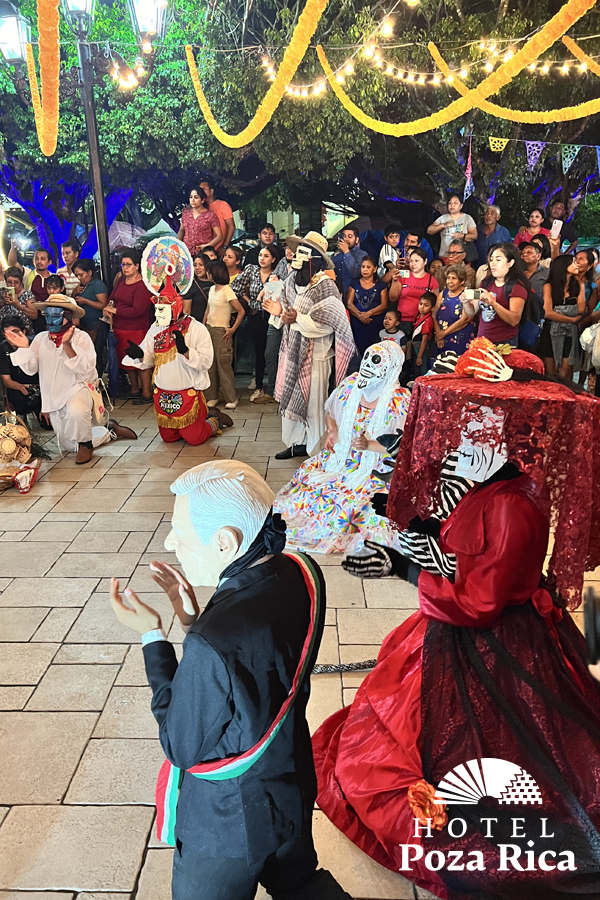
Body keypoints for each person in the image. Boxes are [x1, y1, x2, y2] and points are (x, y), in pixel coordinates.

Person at [314, 353, 600, 899]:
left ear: (513, 438)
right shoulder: (484, 482)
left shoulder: (515, 504)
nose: (465, 436)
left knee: (490, 762)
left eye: (481, 427)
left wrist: (401, 566)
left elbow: (479, 602)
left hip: (494, 647)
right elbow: (455, 551)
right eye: (467, 422)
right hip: (462, 628)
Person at [109, 459, 354, 900]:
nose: (169, 541)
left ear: (226, 543)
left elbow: (181, 744)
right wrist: (194, 619)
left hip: (226, 825)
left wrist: (153, 636)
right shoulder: (300, 570)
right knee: (300, 883)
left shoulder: (211, 642)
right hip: (289, 779)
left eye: (179, 533)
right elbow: (260, 664)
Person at [274, 342, 410, 553]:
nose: (367, 365)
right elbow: (331, 412)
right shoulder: (351, 385)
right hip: (342, 457)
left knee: (357, 505)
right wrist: (333, 431)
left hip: (376, 467)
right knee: (310, 483)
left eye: (375, 361)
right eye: (366, 358)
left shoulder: (398, 400)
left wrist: (369, 445)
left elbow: (398, 445)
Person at [5, 293, 136, 463]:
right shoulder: (40, 339)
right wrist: (23, 348)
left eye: (56, 316)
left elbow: (87, 369)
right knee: (69, 445)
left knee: (77, 412)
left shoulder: (81, 337)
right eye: (48, 315)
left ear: (68, 317)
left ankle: (86, 445)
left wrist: (67, 345)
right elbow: (31, 370)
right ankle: (110, 431)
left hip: (78, 388)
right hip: (54, 395)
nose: (50, 320)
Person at [265, 231, 356, 460]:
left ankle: (316, 451)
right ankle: (296, 443)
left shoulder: (326, 287)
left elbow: (328, 325)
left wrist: (295, 318)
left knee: (314, 405)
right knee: (293, 401)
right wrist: (283, 315)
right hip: (292, 352)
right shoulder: (288, 282)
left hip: (316, 355)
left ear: (313, 259)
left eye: (301, 253)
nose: (294, 256)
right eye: (296, 252)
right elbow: (282, 313)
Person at [122, 275, 232, 444]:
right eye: (156, 309)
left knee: (195, 439)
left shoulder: (197, 329)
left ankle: (214, 420)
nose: (157, 314)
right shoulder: (155, 328)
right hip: (163, 394)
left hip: (187, 393)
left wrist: (186, 351)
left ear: (175, 307)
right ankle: (191, 425)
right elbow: (149, 357)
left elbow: (206, 362)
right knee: (169, 438)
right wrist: (140, 354)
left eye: (161, 309)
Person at [103, 249, 155, 404]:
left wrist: (115, 310)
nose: (125, 268)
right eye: (123, 264)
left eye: (128, 265)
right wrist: (108, 307)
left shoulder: (143, 284)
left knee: (141, 361)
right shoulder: (121, 280)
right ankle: (134, 389)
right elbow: (113, 297)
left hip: (137, 328)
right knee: (126, 360)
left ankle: (146, 392)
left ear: (137, 266)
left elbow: (138, 310)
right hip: (120, 327)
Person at [232, 245, 279, 402]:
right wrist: (249, 301)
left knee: (272, 352)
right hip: (255, 315)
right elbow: (236, 287)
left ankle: (274, 387)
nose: (262, 259)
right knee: (259, 352)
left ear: (273, 259)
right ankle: (259, 386)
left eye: (266, 256)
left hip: (273, 316)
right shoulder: (251, 270)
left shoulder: (278, 273)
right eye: (260, 255)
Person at [204, 260, 245, 410]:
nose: (207, 273)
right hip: (209, 329)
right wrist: (203, 326)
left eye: (208, 271)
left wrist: (232, 329)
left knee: (224, 365)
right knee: (210, 365)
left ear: (214, 272)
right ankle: (212, 396)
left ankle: (231, 397)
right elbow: (208, 310)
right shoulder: (211, 290)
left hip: (222, 331)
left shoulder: (227, 290)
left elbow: (241, 310)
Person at [538, 254, 586, 378]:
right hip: (550, 330)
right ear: (564, 266)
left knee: (566, 372)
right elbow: (547, 312)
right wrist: (571, 319)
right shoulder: (548, 286)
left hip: (569, 333)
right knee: (551, 373)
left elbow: (581, 309)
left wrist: (581, 284)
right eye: (574, 262)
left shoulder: (577, 285)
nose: (577, 264)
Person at [476, 243, 530, 348]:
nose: (493, 263)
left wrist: (493, 303)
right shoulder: (486, 282)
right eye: (491, 259)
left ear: (510, 263)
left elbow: (514, 320)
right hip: (482, 340)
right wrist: (466, 302)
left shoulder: (517, 287)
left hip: (504, 343)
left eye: (498, 259)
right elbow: (473, 311)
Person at [0, 312, 42, 423]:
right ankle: (21, 415)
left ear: (23, 332)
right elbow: (6, 380)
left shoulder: (34, 343)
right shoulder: (3, 348)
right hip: (17, 387)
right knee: (18, 397)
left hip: (39, 387)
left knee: (47, 425)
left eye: (15, 332)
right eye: (7, 333)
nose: (12, 337)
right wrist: (20, 387)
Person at [71, 258, 109, 375]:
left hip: (96, 325)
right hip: (83, 324)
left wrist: (86, 301)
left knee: (95, 354)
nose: (79, 278)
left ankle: (97, 379)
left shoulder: (97, 285)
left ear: (90, 272)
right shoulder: (82, 285)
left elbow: (103, 305)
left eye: (81, 274)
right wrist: (75, 292)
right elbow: (73, 300)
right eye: (77, 275)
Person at [390, 247, 439, 336]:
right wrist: (394, 281)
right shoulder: (403, 276)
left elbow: (435, 306)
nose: (413, 264)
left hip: (422, 322)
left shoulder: (432, 280)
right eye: (411, 261)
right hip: (402, 320)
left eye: (417, 261)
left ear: (425, 261)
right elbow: (393, 298)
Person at [347, 256, 388, 357]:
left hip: (375, 323)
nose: (365, 269)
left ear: (375, 269)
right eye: (363, 267)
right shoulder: (354, 283)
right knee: (357, 351)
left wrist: (369, 313)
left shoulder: (381, 285)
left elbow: (384, 305)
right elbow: (349, 303)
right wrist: (359, 316)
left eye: (368, 267)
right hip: (357, 324)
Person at [7, 246, 53, 334]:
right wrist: (13, 247)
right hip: (32, 318)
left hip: (50, 317)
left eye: (42, 259)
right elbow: (12, 263)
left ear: (49, 262)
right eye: (36, 258)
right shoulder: (28, 273)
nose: (39, 261)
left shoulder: (54, 277)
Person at [433, 265, 475, 358]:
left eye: (453, 278)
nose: (449, 281)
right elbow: (434, 314)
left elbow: (465, 319)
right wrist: (439, 335)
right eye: (448, 278)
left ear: (462, 281)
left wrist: (443, 334)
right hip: (441, 339)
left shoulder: (467, 294)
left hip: (460, 338)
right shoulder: (443, 293)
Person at [426, 194, 477, 262]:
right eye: (450, 203)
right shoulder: (443, 218)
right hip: (445, 255)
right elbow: (429, 230)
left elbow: (474, 235)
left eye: (455, 203)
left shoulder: (467, 218)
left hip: (461, 257)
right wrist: (443, 225)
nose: (452, 205)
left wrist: (461, 236)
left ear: (461, 206)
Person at [178, 186, 222, 256]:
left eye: (196, 197)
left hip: (203, 253)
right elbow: (181, 230)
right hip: (186, 252)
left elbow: (219, 236)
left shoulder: (210, 215)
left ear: (203, 200)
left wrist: (207, 246)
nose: (192, 200)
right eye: (191, 197)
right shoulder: (186, 213)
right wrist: (179, 244)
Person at [332, 225, 368, 299]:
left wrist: (346, 252)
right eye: (344, 236)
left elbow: (356, 273)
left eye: (350, 236)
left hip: (354, 296)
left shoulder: (362, 254)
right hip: (336, 294)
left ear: (357, 240)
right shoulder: (336, 254)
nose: (346, 239)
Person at [405, 292, 435, 378]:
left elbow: (424, 340)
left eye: (426, 305)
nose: (422, 307)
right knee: (415, 370)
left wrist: (419, 356)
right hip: (415, 348)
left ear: (432, 308)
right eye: (421, 304)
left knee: (421, 371)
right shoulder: (419, 317)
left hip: (421, 350)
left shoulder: (427, 321)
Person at [199, 179, 235, 252]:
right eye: (200, 189)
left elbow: (231, 226)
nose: (201, 192)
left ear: (211, 191)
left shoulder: (223, 205)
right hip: (202, 250)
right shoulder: (198, 208)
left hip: (218, 250)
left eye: (204, 189)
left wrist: (224, 246)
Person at [518, 241, 548, 313]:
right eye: (522, 253)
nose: (524, 254)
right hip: (519, 311)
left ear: (538, 256)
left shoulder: (547, 273)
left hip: (538, 312)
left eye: (529, 252)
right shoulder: (516, 273)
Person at [183, 253, 212, 323]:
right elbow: (186, 311)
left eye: (201, 265)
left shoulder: (216, 283)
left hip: (214, 325)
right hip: (197, 326)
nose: (197, 268)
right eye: (195, 265)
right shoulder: (189, 286)